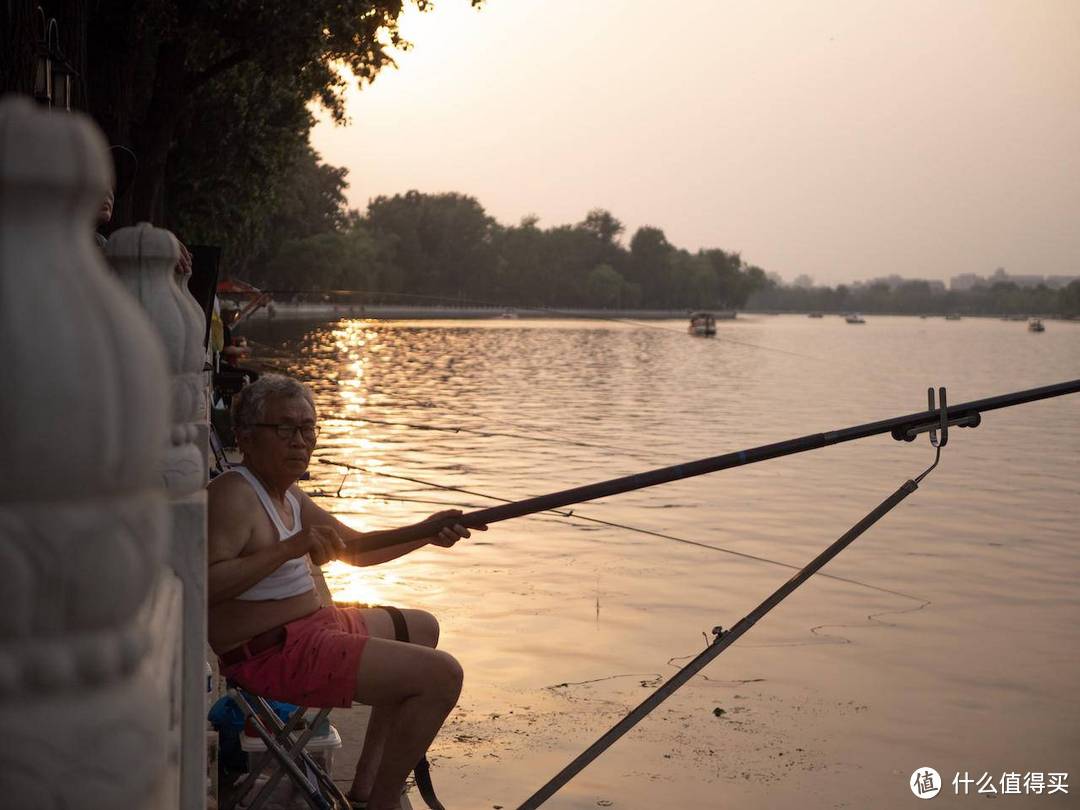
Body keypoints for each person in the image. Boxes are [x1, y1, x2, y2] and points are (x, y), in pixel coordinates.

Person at [208, 373, 484, 809]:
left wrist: (427, 532)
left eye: (308, 428)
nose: (300, 441)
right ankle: (384, 803)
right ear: (244, 436)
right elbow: (205, 584)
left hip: (313, 629)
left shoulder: (288, 495)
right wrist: (290, 548)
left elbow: (357, 550)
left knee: (421, 628)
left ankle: (369, 783)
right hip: (274, 651)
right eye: (285, 429)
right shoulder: (233, 495)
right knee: (442, 676)